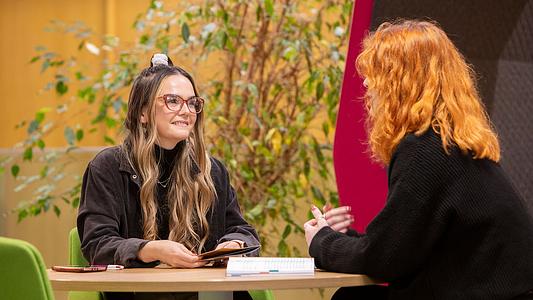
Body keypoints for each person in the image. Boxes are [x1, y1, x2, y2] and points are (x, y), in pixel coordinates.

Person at [304, 20, 533, 300]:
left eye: (376, 72)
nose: (365, 83)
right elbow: (400, 248)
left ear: (401, 81)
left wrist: (322, 241)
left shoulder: (425, 148)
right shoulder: (450, 143)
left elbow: (385, 260)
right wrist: (343, 238)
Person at [77, 53, 259, 300]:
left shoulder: (212, 170)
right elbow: (97, 244)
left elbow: (242, 230)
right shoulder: (108, 167)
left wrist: (234, 245)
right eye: (173, 101)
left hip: (208, 294)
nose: (187, 111)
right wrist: (151, 250)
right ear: (142, 112)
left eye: (192, 102)